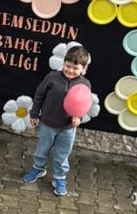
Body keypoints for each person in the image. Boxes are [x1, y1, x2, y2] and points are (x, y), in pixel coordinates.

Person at [22, 44, 91, 198]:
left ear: (84, 69)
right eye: (67, 66)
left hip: (67, 128)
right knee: (42, 149)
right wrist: (34, 114)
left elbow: (84, 104)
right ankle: (38, 168)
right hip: (47, 124)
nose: (70, 70)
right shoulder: (52, 77)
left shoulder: (84, 84)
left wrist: (78, 118)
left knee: (62, 154)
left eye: (75, 68)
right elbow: (39, 94)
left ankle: (59, 178)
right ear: (63, 63)